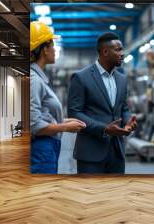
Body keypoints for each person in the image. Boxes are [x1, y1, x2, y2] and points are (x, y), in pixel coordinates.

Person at [67, 32, 137, 174]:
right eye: (118, 49)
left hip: (116, 152)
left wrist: (128, 121)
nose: (122, 54)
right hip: (91, 153)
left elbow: (123, 107)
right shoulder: (81, 78)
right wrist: (104, 129)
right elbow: (75, 113)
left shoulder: (122, 80)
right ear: (105, 52)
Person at [30, 21, 86, 174]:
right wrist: (66, 127)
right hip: (42, 149)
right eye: (52, 45)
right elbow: (34, 126)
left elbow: (45, 117)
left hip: (48, 147)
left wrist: (66, 120)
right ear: (44, 49)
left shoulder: (41, 79)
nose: (55, 50)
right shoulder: (34, 80)